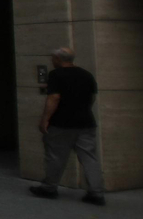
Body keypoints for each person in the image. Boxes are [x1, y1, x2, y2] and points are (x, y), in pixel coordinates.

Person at [30, 48, 104, 205]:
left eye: (53, 58)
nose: (52, 61)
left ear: (58, 59)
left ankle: (49, 188)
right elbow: (91, 98)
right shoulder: (87, 74)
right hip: (86, 122)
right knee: (89, 158)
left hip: (61, 123)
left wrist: (45, 119)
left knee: (55, 156)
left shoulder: (56, 75)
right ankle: (96, 192)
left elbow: (54, 98)